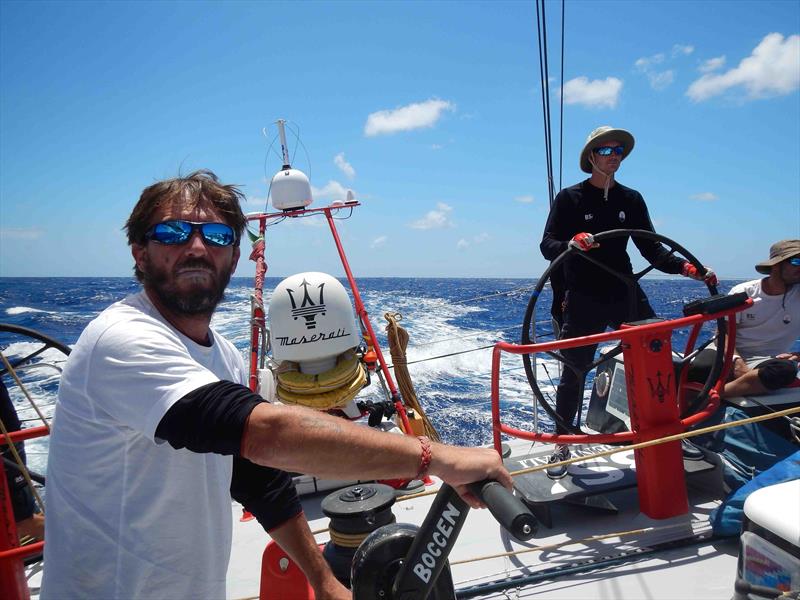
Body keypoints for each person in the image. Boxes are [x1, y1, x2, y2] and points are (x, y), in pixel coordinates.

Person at [41, 170, 512, 600]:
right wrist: (437, 458)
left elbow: (257, 476)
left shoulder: (220, 355)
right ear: (140, 253)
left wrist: (324, 582)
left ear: (234, 256)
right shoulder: (119, 340)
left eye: (218, 235)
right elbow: (265, 434)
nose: (197, 247)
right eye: (173, 232)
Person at [539, 125, 715, 479]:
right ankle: (564, 440)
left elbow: (651, 248)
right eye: (606, 150)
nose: (614, 155)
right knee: (574, 372)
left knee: (659, 362)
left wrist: (687, 268)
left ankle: (670, 433)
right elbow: (548, 246)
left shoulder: (631, 200)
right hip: (583, 295)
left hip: (624, 290)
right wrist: (572, 242)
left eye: (618, 149)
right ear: (591, 157)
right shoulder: (569, 199)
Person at [1, 378, 45, 541]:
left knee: (23, 521)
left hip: (5, 443)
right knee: (24, 515)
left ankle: (91, 545)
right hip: (8, 437)